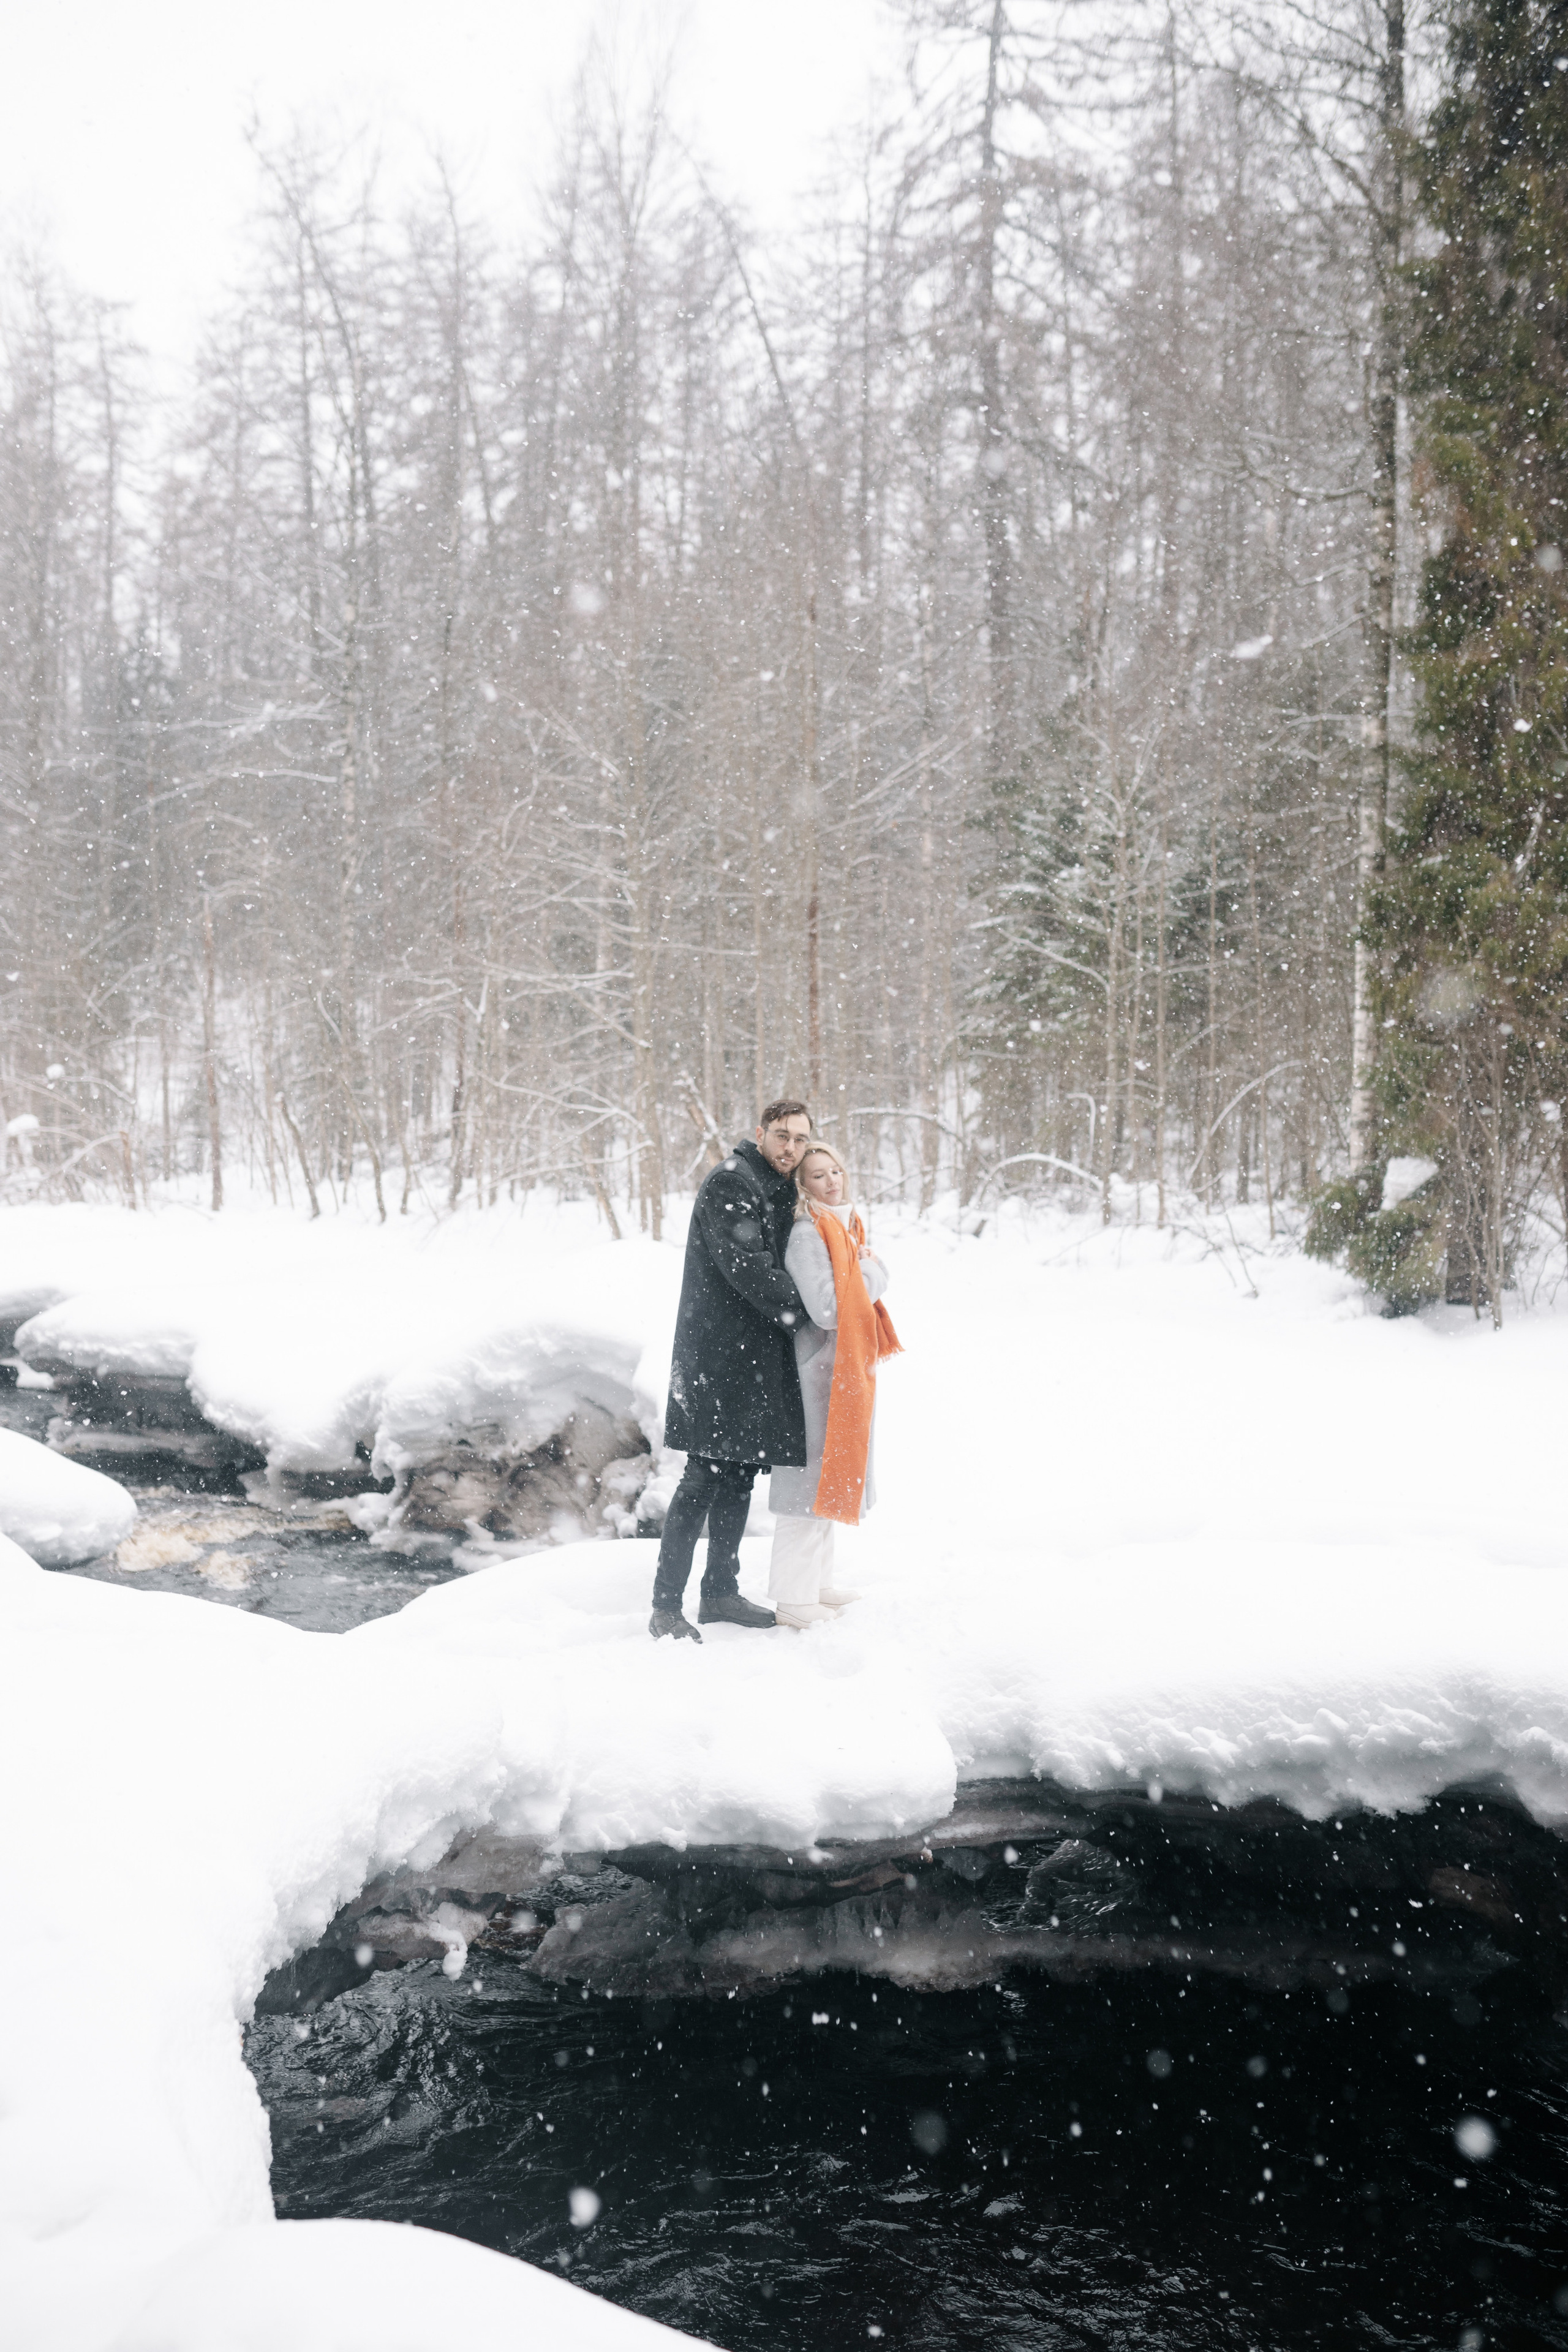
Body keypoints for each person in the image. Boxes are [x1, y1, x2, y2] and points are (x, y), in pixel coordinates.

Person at [650, 1099, 815, 1642]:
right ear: (761, 1133)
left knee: (740, 1476)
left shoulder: (781, 1186)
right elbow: (752, 1272)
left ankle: (720, 1591)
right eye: (783, 1136)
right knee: (702, 1478)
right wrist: (815, 1313)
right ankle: (666, 1607)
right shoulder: (732, 1182)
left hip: (754, 1359)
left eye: (800, 1140)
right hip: (717, 1359)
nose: (791, 1148)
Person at [767, 1140, 900, 1629]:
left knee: (824, 1482)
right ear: (803, 1185)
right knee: (806, 1487)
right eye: (819, 1175)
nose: (832, 1181)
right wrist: (873, 1271)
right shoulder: (808, 1232)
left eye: (836, 1171)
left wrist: (861, 1271)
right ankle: (793, 1599)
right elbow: (826, 1308)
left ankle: (816, 1586)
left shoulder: (843, 1227)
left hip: (835, 1372)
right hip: (815, 1373)